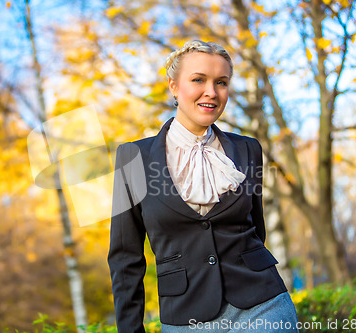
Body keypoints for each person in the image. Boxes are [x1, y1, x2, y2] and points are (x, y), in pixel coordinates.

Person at [108, 40, 299, 332]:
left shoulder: (248, 149)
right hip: (186, 317)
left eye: (221, 82)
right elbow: (125, 257)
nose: (211, 92)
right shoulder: (133, 158)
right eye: (198, 79)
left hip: (265, 306)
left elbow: (255, 230)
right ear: (173, 86)